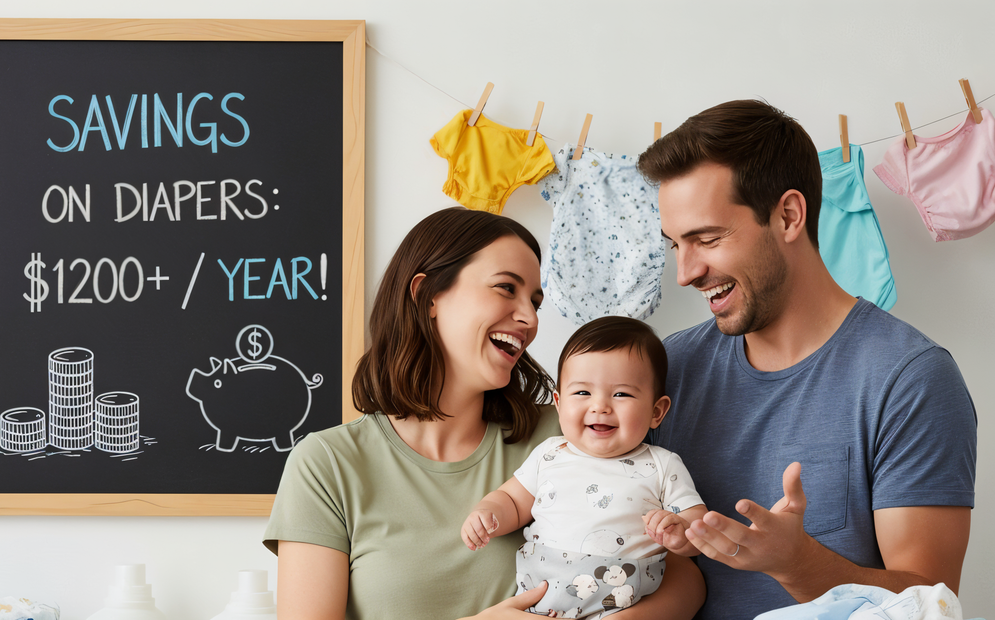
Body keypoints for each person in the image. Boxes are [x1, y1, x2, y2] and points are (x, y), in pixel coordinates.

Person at [263, 207, 705, 620]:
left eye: (535, 300)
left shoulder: (573, 435)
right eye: (506, 288)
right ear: (428, 295)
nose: (530, 318)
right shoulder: (327, 465)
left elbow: (683, 581)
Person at [636, 100, 977, 620]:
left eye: (706, 239)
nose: (686, 272)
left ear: (789, 216)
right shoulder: (667, 370)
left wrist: (797, 563)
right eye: (676, 245)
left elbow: (927, 604)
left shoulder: (911, 379)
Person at [462, 316, 707, 619]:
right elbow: (512, 500)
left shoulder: (662, 464)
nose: (600, 406)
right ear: (559, 403)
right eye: (582, 393)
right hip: (540, 605)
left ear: (656, 411)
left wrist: (680, 532)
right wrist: (487, 514)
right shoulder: (549, 454)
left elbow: (698, 523)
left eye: (621, 394)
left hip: (622, 604)